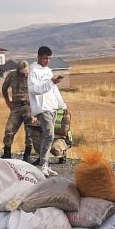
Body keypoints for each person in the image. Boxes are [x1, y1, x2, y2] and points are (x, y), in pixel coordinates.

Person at [27, 46, 66, 177]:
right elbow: (34, 90)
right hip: (41, 108)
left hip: (52, 107)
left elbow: (54, 90)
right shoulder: (33, 72)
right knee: (49, 134)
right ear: (39, 57)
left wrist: (62, 105)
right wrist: (50, 82)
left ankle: (45, 165)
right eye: (45, 58)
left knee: (49, 136)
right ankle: (43, 164)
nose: (47, 61)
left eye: (49, 58)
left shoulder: (49, 71)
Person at [0, 60, 33, 161]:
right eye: (22, 73)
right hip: (16, 107)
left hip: (29, 106)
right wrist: (8, 102)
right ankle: (7, 153)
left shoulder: (33, 76)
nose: (24, 75)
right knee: (9, 130)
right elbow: (4, 88)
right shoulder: (12, 75)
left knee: (30, 131)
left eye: (26, 73)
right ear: (18, 70)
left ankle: (27, 155)